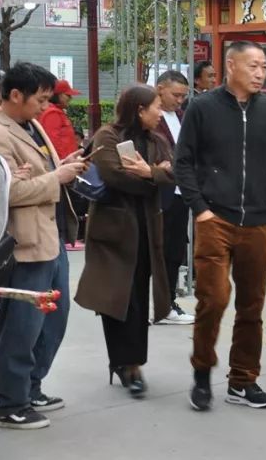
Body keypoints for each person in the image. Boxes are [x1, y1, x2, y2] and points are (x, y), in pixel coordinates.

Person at [175, 41, 266, 412]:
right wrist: (200, 209)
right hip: (216, 217)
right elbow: (183, 163)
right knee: (213, 299)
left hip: (259, 220)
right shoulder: (202, 106)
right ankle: (201, 372)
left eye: (264, 67)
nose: (261, 73)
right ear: (231, 65)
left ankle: (243, 380)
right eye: (253, 66)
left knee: (252, 305)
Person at [0, 62, 87, 430]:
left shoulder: (31, 124)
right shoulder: (1, 132)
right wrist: (57, 176)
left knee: (53, 321)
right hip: (25, 242)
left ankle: (31, 386)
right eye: (40, 99)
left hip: (52, 239)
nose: (44, 107)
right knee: (22, 325)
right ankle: (8, 401)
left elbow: (38, 174)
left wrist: (61, 165)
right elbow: (9, 192)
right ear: (15, 95)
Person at [74, 84, 175, 397]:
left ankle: (131, 362)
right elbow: (114, 175)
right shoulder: (107, 136)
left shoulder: (157, 140)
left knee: (138, 298)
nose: (161, 113)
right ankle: (125, 364)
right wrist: (151, 177)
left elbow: (174, 175)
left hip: (146, 229)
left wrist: (151, 174)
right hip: (113, 233)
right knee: (116, 300)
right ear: (139, 110)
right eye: (157, 107)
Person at [153, 70, 195, 325]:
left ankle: (166, 302)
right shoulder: (151, 117)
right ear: (160, 89)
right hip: (160, 191)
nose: (180, 100)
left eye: (183, 96)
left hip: (180, 192)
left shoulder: (180, 116)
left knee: (174, 250)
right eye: (176, 95)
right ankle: (162, 304)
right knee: (160, 251)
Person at [39, 79, 81, 244]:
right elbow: (52, 141)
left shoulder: (55, 112)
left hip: (66, 165)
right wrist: (62, 163)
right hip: (62, 167)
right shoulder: (52, 113)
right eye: (67, 95)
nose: (70, 99)